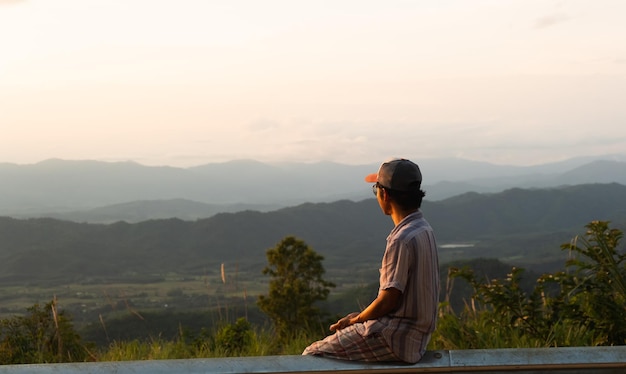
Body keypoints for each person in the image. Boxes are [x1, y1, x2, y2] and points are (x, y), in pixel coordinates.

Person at [302, 158, 439, 364]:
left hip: (394, 338)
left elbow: (388, 299)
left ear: (384, 194)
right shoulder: (423, 229)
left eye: (376, 189)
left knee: (312, 355)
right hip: (416, 339)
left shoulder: (401, 239)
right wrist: (361, 318)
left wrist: (356, 320)